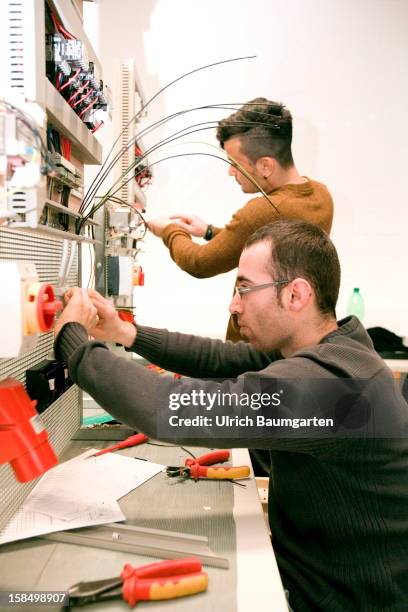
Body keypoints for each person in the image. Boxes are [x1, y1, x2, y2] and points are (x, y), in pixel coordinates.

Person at [54, 220, 408, 612]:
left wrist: (73, 340)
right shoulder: (332, 349)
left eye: (243, 288)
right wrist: (125, 332)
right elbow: (220, 358)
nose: (233, 305)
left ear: (296, 294)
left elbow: (174, 409)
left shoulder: (336, 388)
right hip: (317, 576)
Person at [147, 97, 334, 342]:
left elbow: (199, 263)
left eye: (235, 163)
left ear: (266, 165)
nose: (230, 171)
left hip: (253, 355)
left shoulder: (263, 210)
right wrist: (209, 231)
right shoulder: (320, 195)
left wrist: (170, 231)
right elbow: (272, 242)